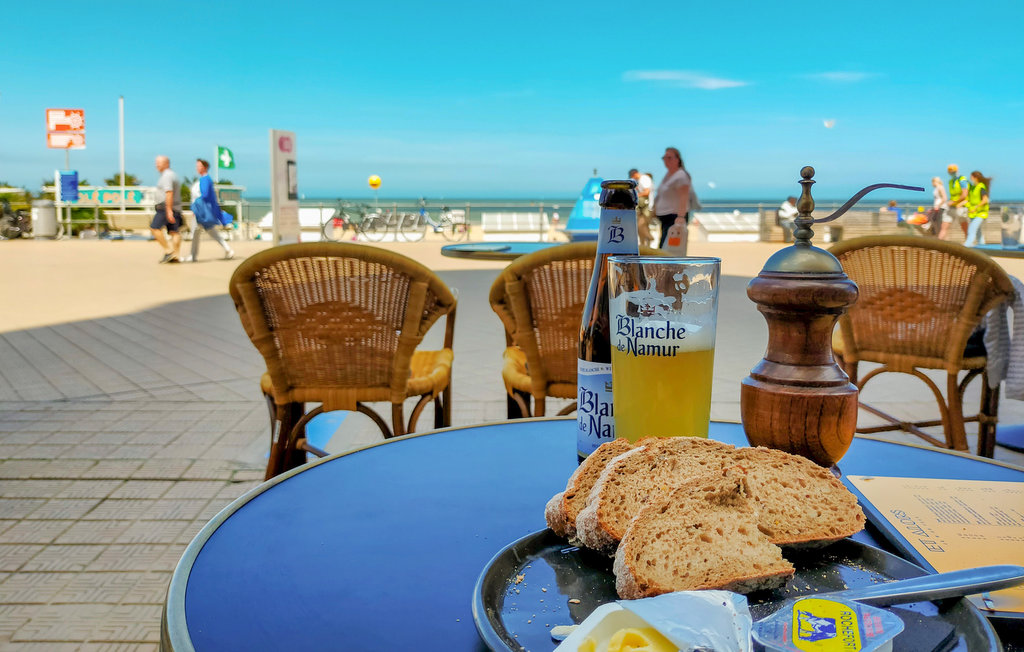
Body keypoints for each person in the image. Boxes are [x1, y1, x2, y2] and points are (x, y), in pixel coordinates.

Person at [187, 158, 235, 262]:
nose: (197, 168)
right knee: (208, 232)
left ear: (204, 167)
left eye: (199, 166)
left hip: (201, 212)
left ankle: (193, 256)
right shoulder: (206, 179)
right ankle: (227, 250)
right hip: (202, 211)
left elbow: (205, 196)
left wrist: (196, 209)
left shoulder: (205, 179)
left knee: (197, 232)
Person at [654, 147, 692, 252]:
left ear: (677, 159)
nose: (666, 160)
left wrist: (680, 217)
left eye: (669, 157)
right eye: (665, 158)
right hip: (666, 217)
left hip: (674, 217)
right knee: (664, 248)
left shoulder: (680, 175)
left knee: (669, 250)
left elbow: (684, 196)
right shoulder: (669, 175)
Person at [151, 155, 183, 263]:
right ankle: (176, 255)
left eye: (159, 163)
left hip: (165, 207)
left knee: (154, 228)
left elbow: (169, 192)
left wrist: (169, 210)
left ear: (166, 163)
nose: (156, 165)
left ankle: (168, 251)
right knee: (174, 231)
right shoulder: (173, 175)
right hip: (176, 207)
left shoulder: (166, 176)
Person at [939, 164, 969, 241]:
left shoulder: (962, 179)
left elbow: (964, 194)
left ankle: (969, 244)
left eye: (953, 171)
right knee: (944, 226)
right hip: (951, 207)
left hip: (961, 207)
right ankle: (940, 245)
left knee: (964, 227)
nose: (951, 172)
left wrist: (954, 202)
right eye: (950, 171)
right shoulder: (951, 181)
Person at [964, 170, 992, 247]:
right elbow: (970, 200)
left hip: (981, 213)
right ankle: (983, 247)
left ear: (975, 178)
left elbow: (985, 200)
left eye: (971, 177)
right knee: (978, 233)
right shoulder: (973, 187)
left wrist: (976, 207)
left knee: (971, 230)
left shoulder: (981, 187)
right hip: (973, 214)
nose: (970, 178)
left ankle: (966, 246)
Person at [629, 168, 654, 247]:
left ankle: (649, 238)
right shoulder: (640, 180)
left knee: (641, 225)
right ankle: (644, 244)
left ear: (635, 174)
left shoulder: (644, 179)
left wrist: (636, 195)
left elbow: (647, 192)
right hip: (643, 207)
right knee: (642, 226)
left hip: (647, 207)